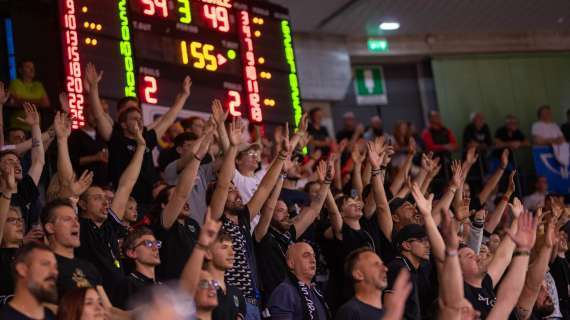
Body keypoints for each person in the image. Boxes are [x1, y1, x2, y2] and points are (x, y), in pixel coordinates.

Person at [84, 62, 192, 211]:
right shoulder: (116, 138)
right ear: (123, 125)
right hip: (125, 203)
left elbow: (168, 118)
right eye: (134, 118)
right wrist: (94, 88)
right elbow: (99, 114)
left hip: (150, 202)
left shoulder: (147, 137)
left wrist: (184, 95)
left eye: (140, 118)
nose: (139, 121)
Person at [75, 122, 146, 305]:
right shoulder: (76, 226)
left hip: (120, 302)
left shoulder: (110, 226)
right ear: (82, 204)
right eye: (97, 198)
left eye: (105, 198)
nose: (106, 202)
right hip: (92, 302)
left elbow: (126, 185)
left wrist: (141, 146)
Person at [41, 198, 102, 299]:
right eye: (67, 219)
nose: (76, 224)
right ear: (50, 228)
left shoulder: (89, 267)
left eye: (76, 219)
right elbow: (42, 307)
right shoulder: (45, 266)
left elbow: (107, 308)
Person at [0, 103, 45, 229]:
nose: (16, 163)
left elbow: (38, 161)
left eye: (17, 161)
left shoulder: (25, 189)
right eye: (9, 161)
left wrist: (35, 126)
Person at [335, 248, 412, 320]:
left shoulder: (389, 313)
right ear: (358, 274)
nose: (385, 269)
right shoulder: (349, 311)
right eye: (376, 265)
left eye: (383, 265)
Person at [267, 242, 330, 320]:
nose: (313, 260)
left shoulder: (316, 292)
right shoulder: (284, 291)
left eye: (314, 256)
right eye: (306, 255)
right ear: (291, 263)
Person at [0, 242, 58, 320]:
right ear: (22, 270)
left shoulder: (53, 317)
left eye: (55, 267)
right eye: (45, 264)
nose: (55, 272)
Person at [205, 231, 247, 320]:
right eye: (224, 247)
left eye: (232, 247)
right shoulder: (201, 288)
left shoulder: (236, 292)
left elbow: (242, 311)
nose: (232, 253)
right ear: (208, 253)